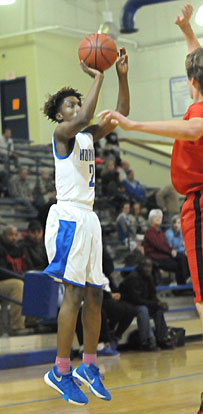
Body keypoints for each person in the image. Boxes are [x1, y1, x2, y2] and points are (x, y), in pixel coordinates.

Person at [98, 3, 203, 409]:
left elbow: (193, 128)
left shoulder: (198, 110)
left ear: (191, 81)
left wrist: (133, 124)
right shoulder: (199, 86)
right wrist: (187, 32)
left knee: (201, 302)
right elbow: (198, 63)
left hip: (199, 205)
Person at [42, 48, 129, 405]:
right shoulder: (63, 135)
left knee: (95, 296)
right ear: (59, 115)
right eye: (70, 104)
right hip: (68, 218)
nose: (76, 107)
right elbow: (89, 115)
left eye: (79, 103)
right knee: (74, 296)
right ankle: (61, 370)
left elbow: (120, 115)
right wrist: (97, 77)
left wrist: (121, 74)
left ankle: (88, 366)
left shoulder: (88, 136)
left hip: (89, 218)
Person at [119, 258, 174, 350]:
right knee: (143, 310)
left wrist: (159, 303)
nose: (148, 269)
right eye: (145, 266)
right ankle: (146, 341)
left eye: (150, 267)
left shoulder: (149, 277)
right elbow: (136, 300)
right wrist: (155, 304)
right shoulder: (133, 278)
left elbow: (152, 295)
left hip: (142, 302)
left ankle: (162, 338)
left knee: (158, 310)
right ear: (140, 267)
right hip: (129, 304)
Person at [144, 209, 189, 285]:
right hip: (156, 257)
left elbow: (165, 245)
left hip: (164, 255)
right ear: (151, 219)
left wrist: (172, 250)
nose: (159, 219)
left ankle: (184, 284)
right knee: (179, 264)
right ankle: (181, 287)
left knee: (183, 257)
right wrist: (171, 251)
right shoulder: (150, 232)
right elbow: (159, 245)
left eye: (160, 217)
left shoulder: (160, 232)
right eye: (156, 217)